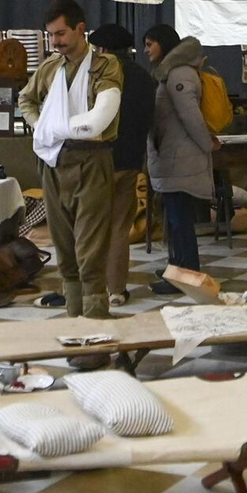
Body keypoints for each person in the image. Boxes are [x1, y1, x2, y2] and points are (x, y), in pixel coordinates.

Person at [18, 0, 125, 319]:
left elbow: (100, 118)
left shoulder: (104, 66)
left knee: (90, 245)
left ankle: (94, 318)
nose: (55, 41)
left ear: (81, 29)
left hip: (91, 159)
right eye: (51, 35)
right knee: (63, 244)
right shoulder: (50, 68)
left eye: (61, 33)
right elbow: (25, 99)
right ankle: (73, 318)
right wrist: (42, 126)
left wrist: (56, 127)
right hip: (55, 161)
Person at [143, 24, 215, 296]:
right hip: (173, 157)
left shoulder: (177, 74)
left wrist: (207, 144)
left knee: (180, 221)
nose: (147, 49)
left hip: (180, 159)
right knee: (174, 220)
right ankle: (177, 269)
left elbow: (190, 116)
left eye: (150, 43)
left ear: (163, 43)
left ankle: (187, 275)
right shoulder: (168, 72)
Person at [90, 23, 155, 307]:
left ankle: (91, 289)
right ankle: (116, 290)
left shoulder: (96, 75)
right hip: (130, 160)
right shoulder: (144, 76)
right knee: (119, 227)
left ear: (103, 49)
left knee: (91, 227)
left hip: (96, 160)